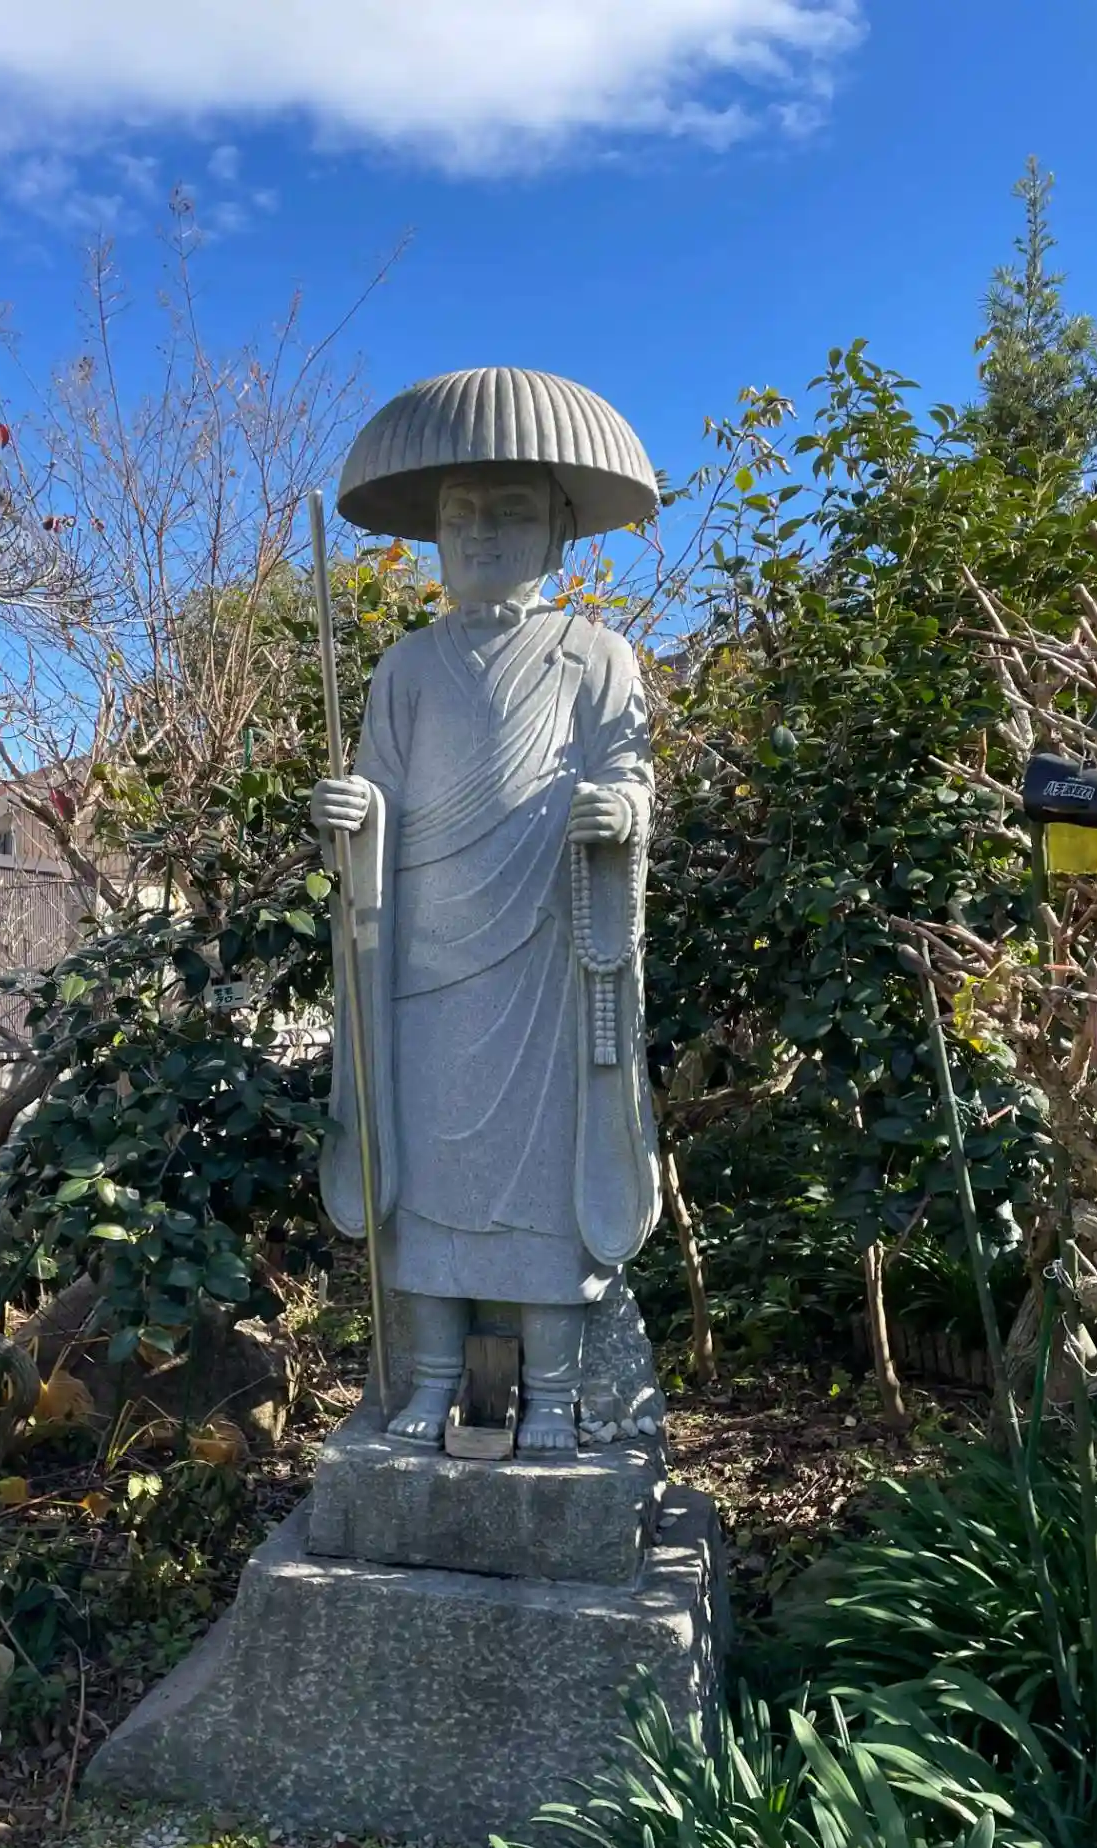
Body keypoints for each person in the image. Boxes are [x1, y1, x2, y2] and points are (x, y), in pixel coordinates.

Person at [313, 369, 663, 1457]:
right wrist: (354, 814)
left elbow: (632, 773)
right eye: (460, 516)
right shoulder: (405, 667)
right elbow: (380, 790)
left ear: (556, 530)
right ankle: (429, 1381)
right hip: (426, 957)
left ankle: (553, 1394)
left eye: (509, 513)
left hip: (546, 950)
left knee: (545, 1181)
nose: (481, 535)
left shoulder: (596, 656)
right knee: (426, 1174)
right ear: (433, 538)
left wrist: (621, 813)